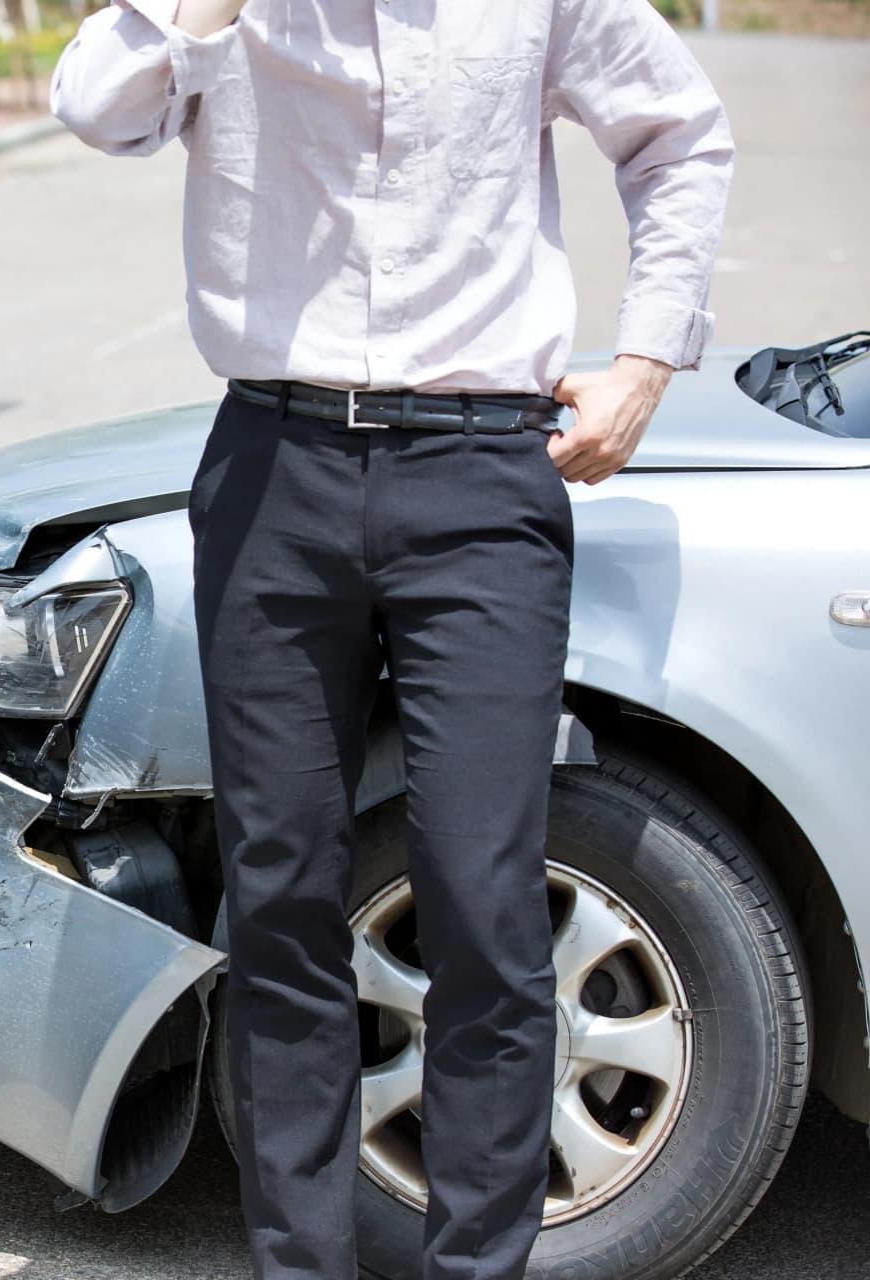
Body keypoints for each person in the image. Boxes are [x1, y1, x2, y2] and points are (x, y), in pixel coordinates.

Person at [52, 2, 731, 1277]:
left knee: (485, 895)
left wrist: (646, 356)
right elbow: (98, 107)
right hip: (275, 459)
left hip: (481, 474)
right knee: (279, 897)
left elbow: (679, 132)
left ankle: (479, 1265)